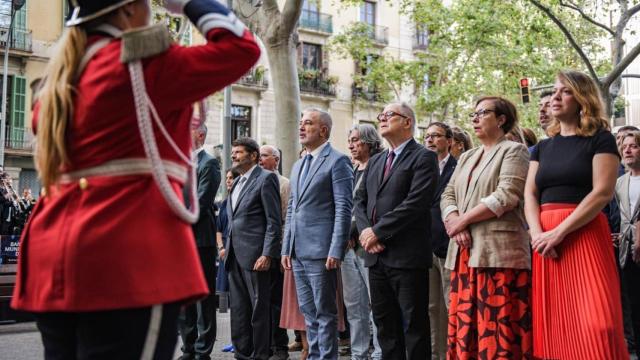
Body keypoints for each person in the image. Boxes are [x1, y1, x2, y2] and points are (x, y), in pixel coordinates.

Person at [11, 0, 260, 358]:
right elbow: (241, 48)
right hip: (123, 254)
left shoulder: (57, 82)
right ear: (128, 10)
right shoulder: (144, 67)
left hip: (50, 258)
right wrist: (189, 3)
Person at [525, 70, 628, 359]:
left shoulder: (601, 139)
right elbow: (529, 195)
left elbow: (602, 192)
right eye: (554, 92)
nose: (554, 98)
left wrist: (558, 232)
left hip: (583, 233)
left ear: (582, 98)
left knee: (600, 324)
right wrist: (537, 234)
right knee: (556, 325)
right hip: (544, 240)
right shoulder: (543, 147)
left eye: (564, 91)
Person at [441, 96, 532, 359]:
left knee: (498, 327)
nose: (475, 118)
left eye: (482, 113)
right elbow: (447, 194)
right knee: (466, 327)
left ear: (501, 119)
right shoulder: (467, 156)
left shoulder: (514, 151)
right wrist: (455, 224)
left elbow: (507, 195)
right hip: (463, 252)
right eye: (474, 114)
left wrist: (463, 220)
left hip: (498, 255)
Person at [355, 102, 438, 360]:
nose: (382, 118)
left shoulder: (424, 156)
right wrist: (367, 232)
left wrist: (378, 232)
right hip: (376, 256)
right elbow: (359, 201)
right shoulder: (377, 160)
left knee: (414, 325)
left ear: (407, 122)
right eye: (381, 115)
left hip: (407, 256)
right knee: (384, 324)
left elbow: (416, 203)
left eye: (389, 115)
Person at [281, 108, 354, 360]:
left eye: (308, 123)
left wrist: (336, 249)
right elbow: (292, 208)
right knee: (308, 313)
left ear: (323, 130)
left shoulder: (338, 161)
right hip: (297, 252)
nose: (301, 127)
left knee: (325, 314)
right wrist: (285, 248)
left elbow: (344, 208)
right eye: (301, 122)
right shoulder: (299, 163)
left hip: (322, 252)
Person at [225, 137, 282, 360]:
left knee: (259, 312)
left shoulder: (266, 179)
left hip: (256, 256)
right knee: (239, 312)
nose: (234, 155)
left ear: (253, 156)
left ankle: (260, 355)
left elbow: (273, 221)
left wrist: (267, 253)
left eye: (239, 152)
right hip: (233, 256)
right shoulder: (237, 182)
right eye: (233, 152)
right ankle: (242, 354)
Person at [179, 122, 221, 360]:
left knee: (203, 298)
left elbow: (201, 202)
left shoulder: (209, 163)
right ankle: (188, 348)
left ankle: (202, 350)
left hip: (200, 239)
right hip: (180, 241)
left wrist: (175, 219)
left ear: (200, 134)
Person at [344, 124, 383, 360]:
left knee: (376, 304)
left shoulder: (379, 167)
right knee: (353, 304)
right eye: (350, 140)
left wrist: (352, 232)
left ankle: (379, 352)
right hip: (347, 248)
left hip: (368, 245)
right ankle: (359, 353)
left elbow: (369, 208)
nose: (351, 144)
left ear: (369, 142)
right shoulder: (350, 169)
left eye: (356, 140)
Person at [424, 121, 457, 360]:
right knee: (431, 307)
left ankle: (454, 354)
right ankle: (436, 354)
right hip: (423, 247)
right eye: (427, 136)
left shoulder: (458, 167)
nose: (430, 140)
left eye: (436, 136)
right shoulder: (420, 167)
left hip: (449, 245)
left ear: (449, 141)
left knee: (451, 304)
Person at [259, 144, 291, 360]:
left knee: (275, 301)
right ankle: (264, 345)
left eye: (264, 156)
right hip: (257, 250)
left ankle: (280, 346)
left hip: (276, 250)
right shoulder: (255, 179)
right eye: (259, 155)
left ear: (276, 160)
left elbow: (287, 219)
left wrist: (282, 251)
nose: (260, 159)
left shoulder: (284, 184)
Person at [615, 132, 640, 359]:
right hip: (628, 250)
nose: (628, 150)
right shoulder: (620, 182)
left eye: (634, 146)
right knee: (633, 303)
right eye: (625, 147)